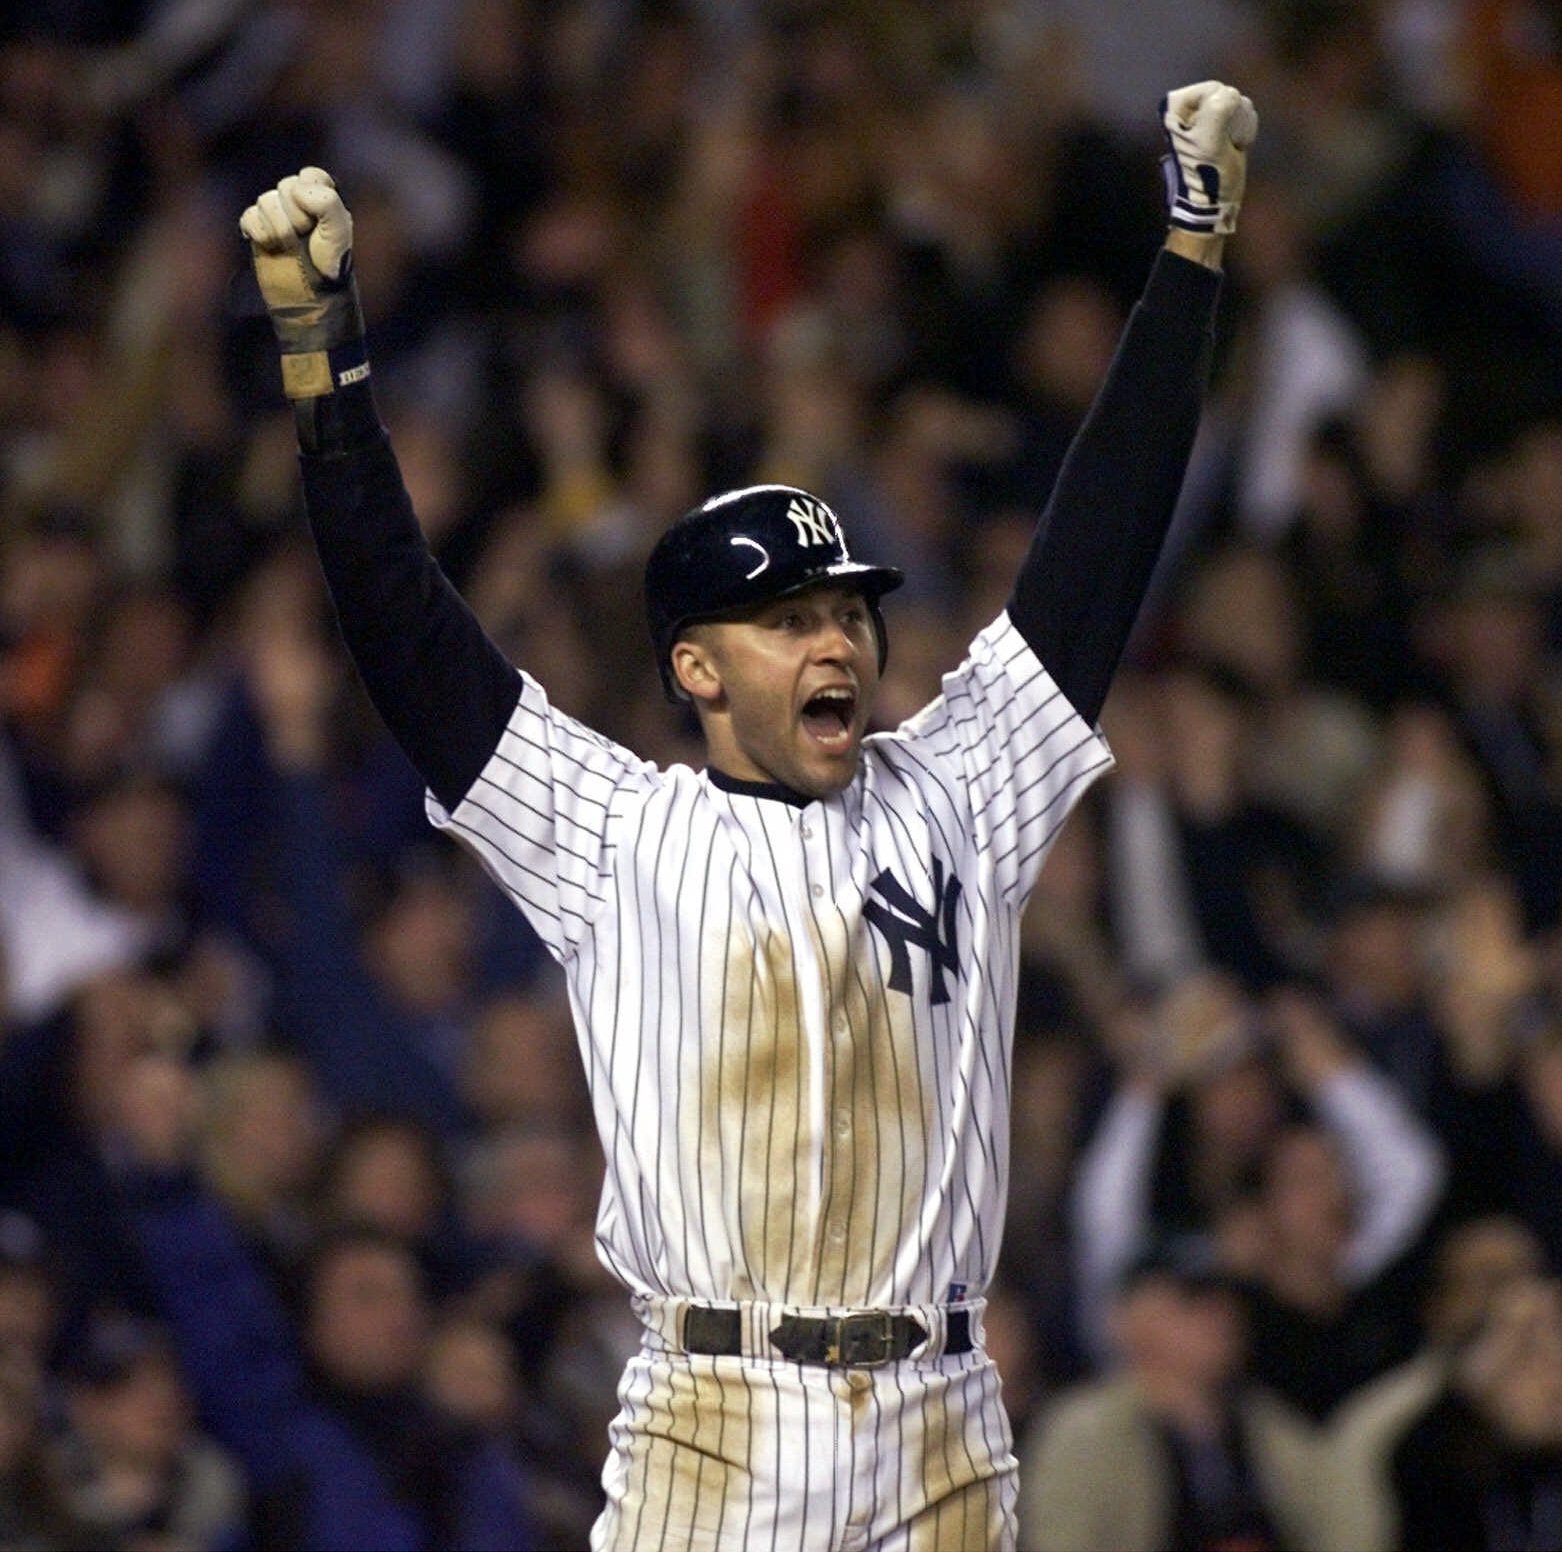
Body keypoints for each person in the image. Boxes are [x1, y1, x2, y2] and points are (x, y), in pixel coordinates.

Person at [238, 78, 1256, 1552]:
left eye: (847, 609)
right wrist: (325, 382)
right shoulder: (615, 831)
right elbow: (411, 641)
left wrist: (1185, 259)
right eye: (787, 620)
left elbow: (1100, 542)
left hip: (944, 1422)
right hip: (718, 1425)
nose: (835, 641)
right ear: (697, 668)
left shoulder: (958, 790)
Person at [1015, 1234, 1320, 1552]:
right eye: (1193, 1300)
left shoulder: (1272, 1428)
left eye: (1227, 1301)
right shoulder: (1086, 1435)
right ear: (1130, 1322)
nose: (1222, 1316)